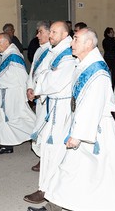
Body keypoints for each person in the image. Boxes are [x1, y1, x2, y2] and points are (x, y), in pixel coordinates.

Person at [27, 27, 115, 211]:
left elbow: (93, 106)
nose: (72, 43)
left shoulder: (96, 70)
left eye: (75, 39)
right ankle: (55, 205)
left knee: (93, 174)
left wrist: (77, 134)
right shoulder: (84, 64)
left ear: (88, 44)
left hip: (94, 131)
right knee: (69, 170)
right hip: (83, 126)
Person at [24, 21, 76, 204]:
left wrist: (41, 83)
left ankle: (48, 189)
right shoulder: (56, 51)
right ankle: (47, 187)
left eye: (53, 32)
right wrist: (41, 81)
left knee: (54, 150)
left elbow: (53, 80)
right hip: (52, 105)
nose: (49, 35)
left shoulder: (67, 55)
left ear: (64, 34)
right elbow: (42, 73)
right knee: (48, 148)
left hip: (60, 110)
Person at [0, 33, 36, 154]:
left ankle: (38, 133)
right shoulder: (6, 54)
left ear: (7, 43)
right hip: (5, 93)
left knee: (16, 118)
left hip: (13, 94)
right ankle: (7, 144)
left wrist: (25, 94)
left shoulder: (14, 56)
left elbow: (22, 77)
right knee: (4, 119)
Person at [27, 21, 51, 172]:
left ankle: (46, 158)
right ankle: (43, 157)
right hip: (38, 95)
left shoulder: (54, 51)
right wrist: (30, 87)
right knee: (39, 126)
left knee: (45, 128)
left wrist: (38, 91)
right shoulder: (38, 51)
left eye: (40, 32)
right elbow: (33, 72)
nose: (37, 35)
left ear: (50, 33)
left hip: (47, 97)